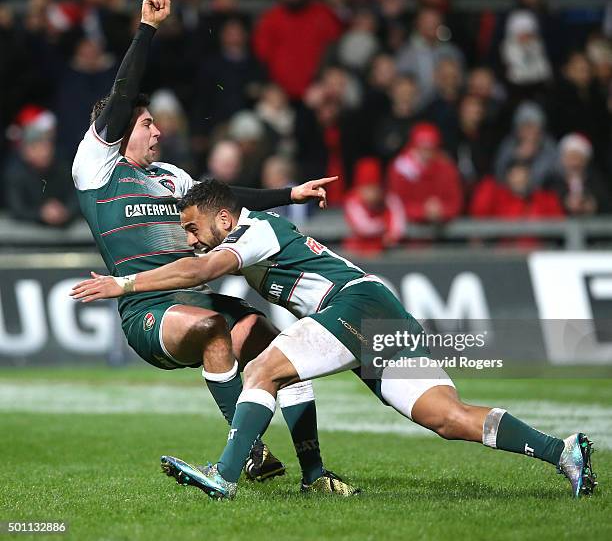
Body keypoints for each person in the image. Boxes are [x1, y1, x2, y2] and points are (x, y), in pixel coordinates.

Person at [71, 178, 597, 501]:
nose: (187, 238)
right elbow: (210, 244)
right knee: (448, 417)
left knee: (261, 368)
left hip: (354, 303)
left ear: (222, 218)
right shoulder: (252, 227)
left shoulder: (250, 233)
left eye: (190, 227)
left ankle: (226, 474)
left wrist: (124, 283)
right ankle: (563, 451)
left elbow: (196, 270)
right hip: (377, 306)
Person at [70, 0, 353, 494]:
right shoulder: (96, 167)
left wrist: (290, 192)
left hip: (192, 294)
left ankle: (313, 471)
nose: (158, 132)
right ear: (119, 128)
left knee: (274, 341)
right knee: (212, 329)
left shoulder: (173, 178)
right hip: (148, 311)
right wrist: (147, 30)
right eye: (148, 124)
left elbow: (227, 200)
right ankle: (249, 452)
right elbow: (124, 92)